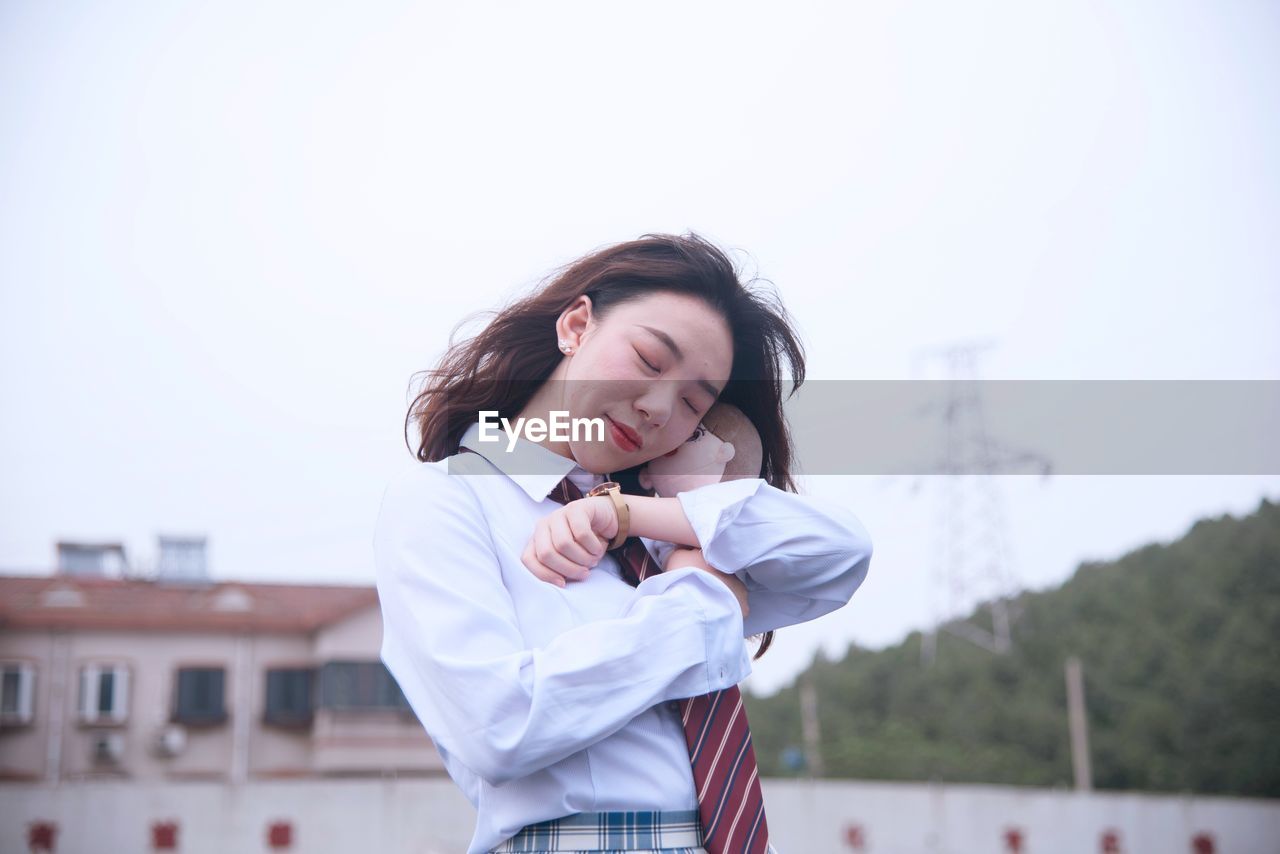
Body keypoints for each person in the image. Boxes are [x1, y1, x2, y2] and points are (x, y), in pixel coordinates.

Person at [373, 232, 874, 854]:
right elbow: (497, 727)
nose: (659, 408)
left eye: (695, 402)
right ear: (576, 325)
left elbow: (839, 555)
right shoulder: (444, 499)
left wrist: (633, 513)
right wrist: (701, 603)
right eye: (648, 360)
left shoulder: (659, 531)